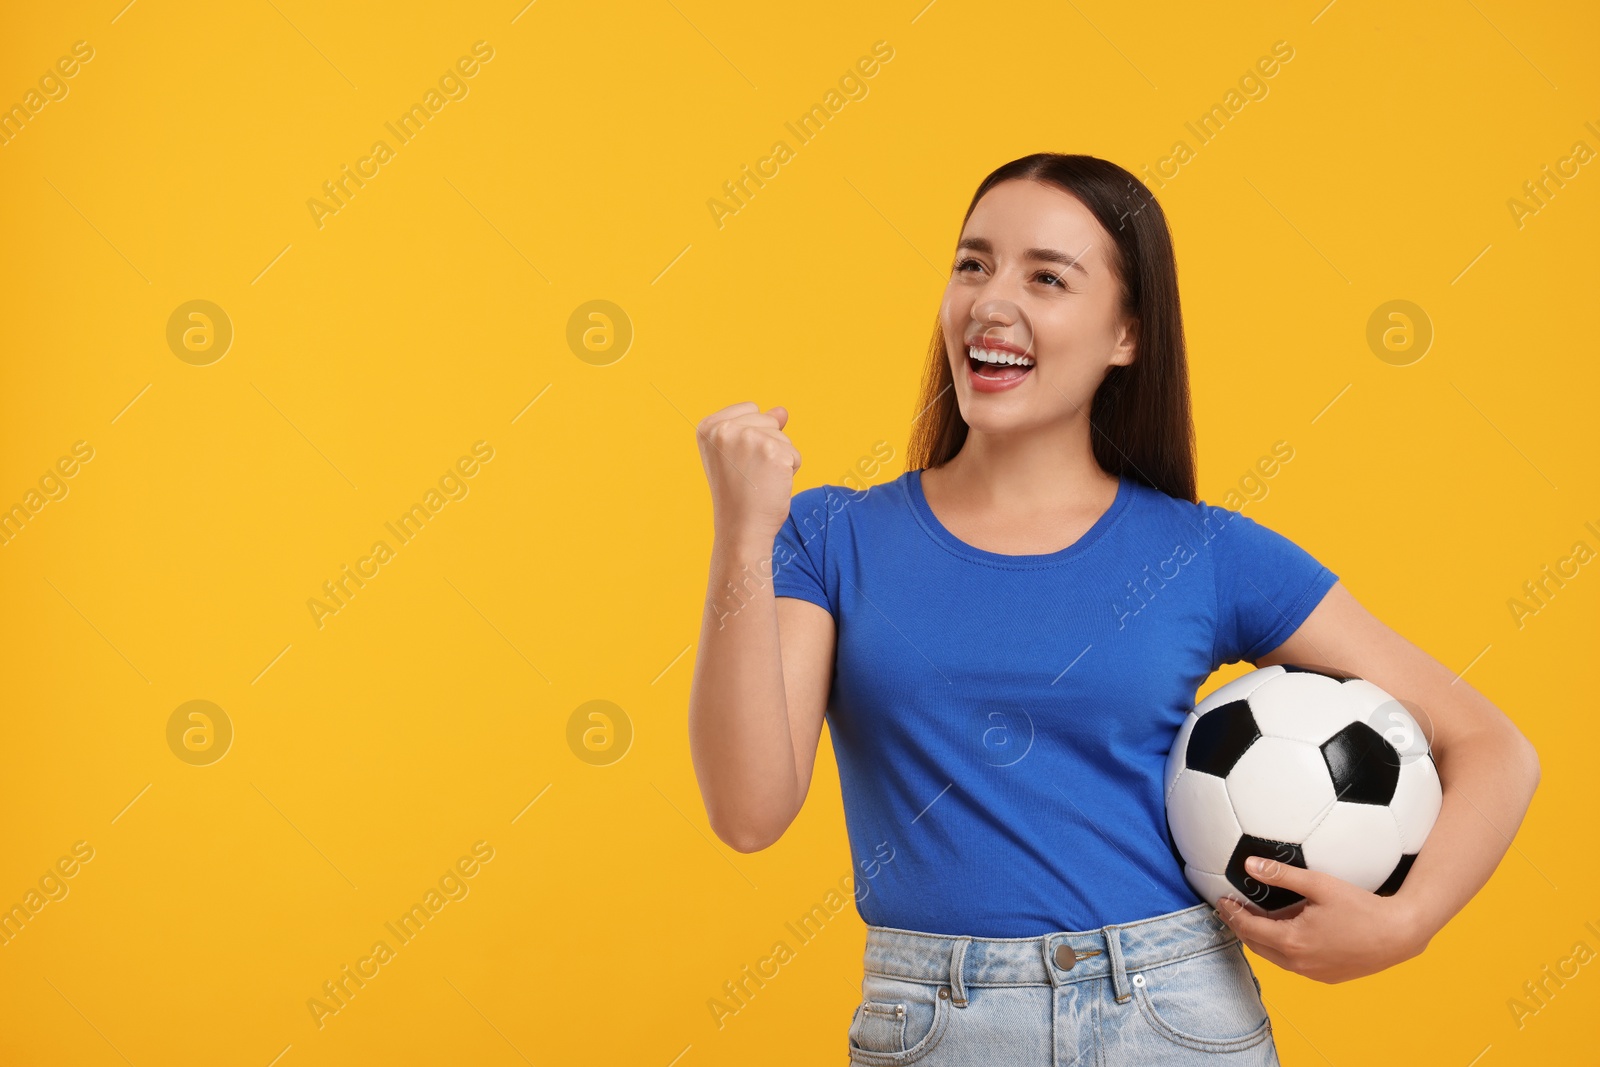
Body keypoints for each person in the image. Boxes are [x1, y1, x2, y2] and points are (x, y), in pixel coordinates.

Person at [687, 152, 1540, 1065]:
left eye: (1047, 277)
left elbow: (1492, 746)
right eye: (973, 263)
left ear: (1126, 334)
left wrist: (1406, 921)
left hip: (1174, 1016)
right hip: (936, 1024)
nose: (990, 301)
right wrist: (743, 531)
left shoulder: (1204, 551)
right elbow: (749, 811)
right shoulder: (829, 536)